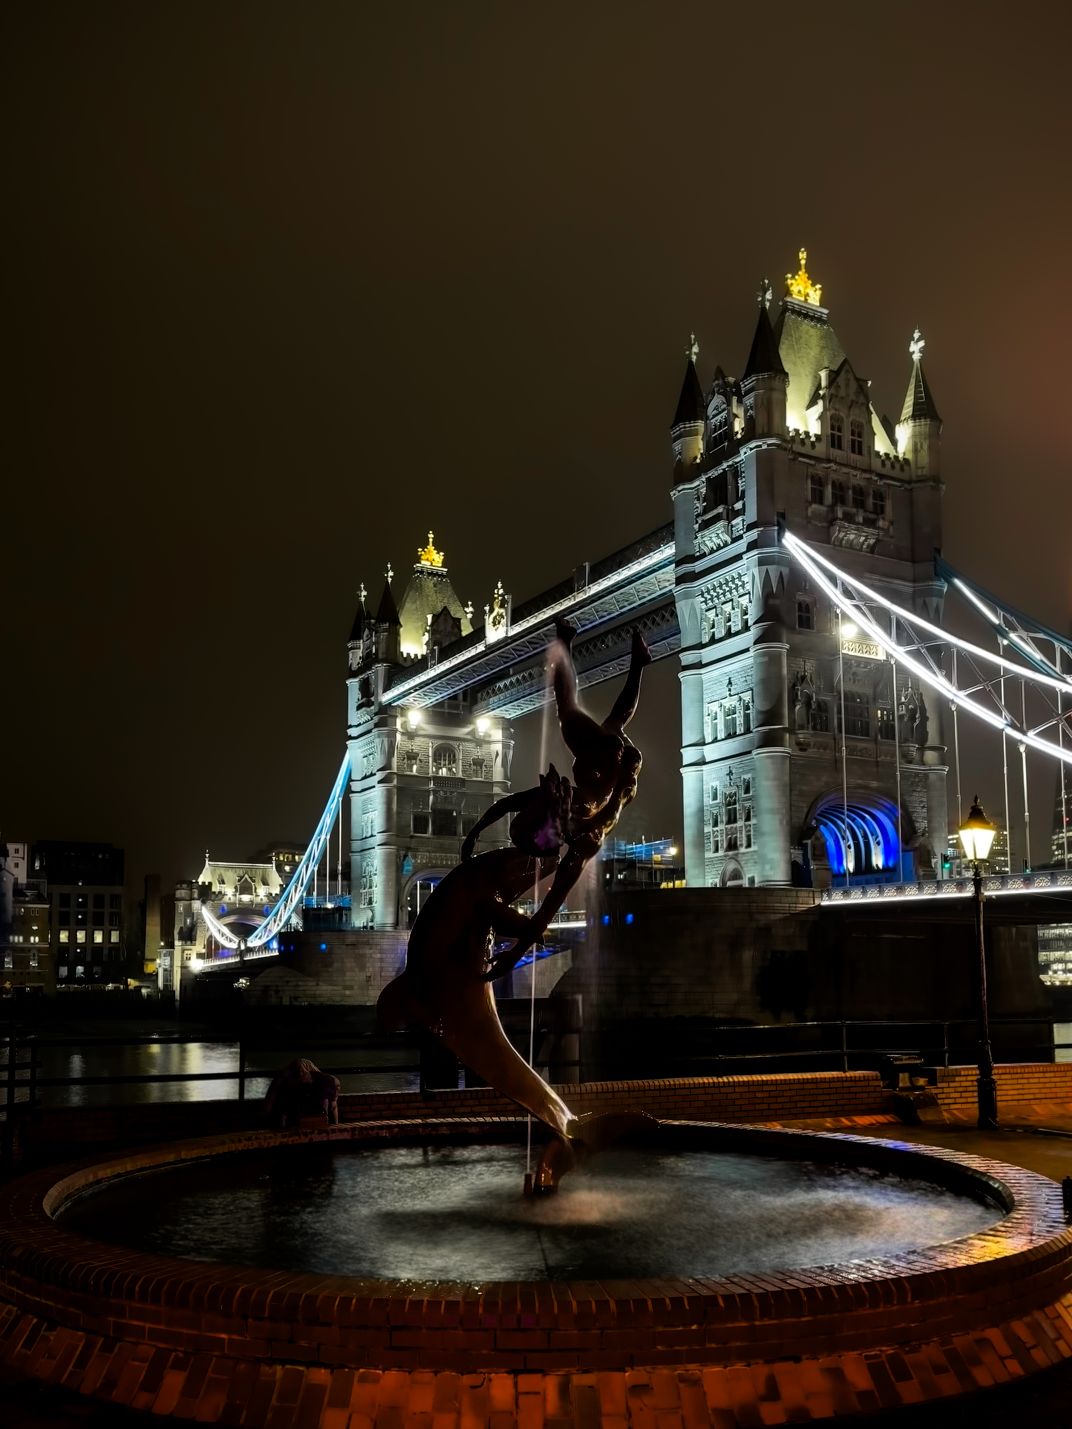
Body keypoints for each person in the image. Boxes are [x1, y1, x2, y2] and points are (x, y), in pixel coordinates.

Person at [460, 618, 649, 968]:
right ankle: (632, 662)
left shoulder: (564, 809)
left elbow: (510, 803)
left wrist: (476, 832)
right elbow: (545, 912)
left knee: (577, 711)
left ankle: (601, 651)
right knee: (604, 720)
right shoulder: (584, 842)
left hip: (600, 766)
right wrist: (514, 956)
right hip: (615, 773)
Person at [264, 1058, 341, 1128]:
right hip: (303, 1084)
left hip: (314, 1086)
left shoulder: (324, 1081)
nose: (301, 1073)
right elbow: (333, 1106)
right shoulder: (287, 1080)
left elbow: (332, 1105)